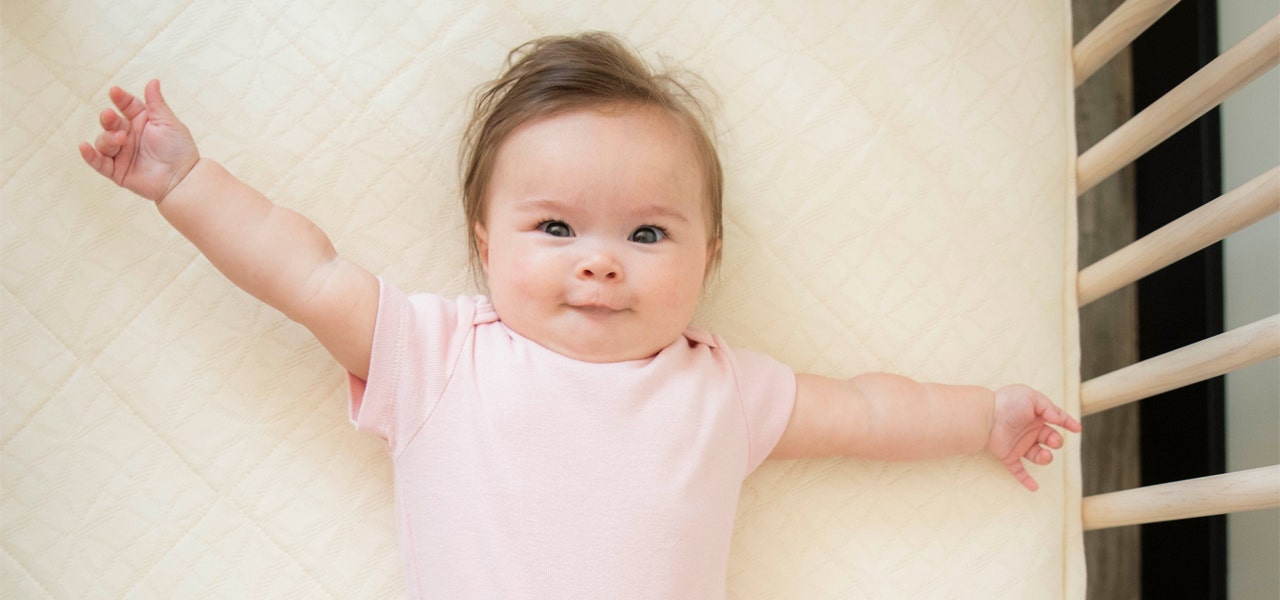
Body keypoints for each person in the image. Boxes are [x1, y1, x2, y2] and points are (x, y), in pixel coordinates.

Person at [79, 32, 1081, 598]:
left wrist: (977, 415)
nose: (600, 262)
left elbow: (864, 411)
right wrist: (188, 183)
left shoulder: (720, 386)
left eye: (647, 236)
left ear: (708, 259)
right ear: (485, 243)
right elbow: (301, 271)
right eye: (555, 226)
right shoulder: (439, 353)